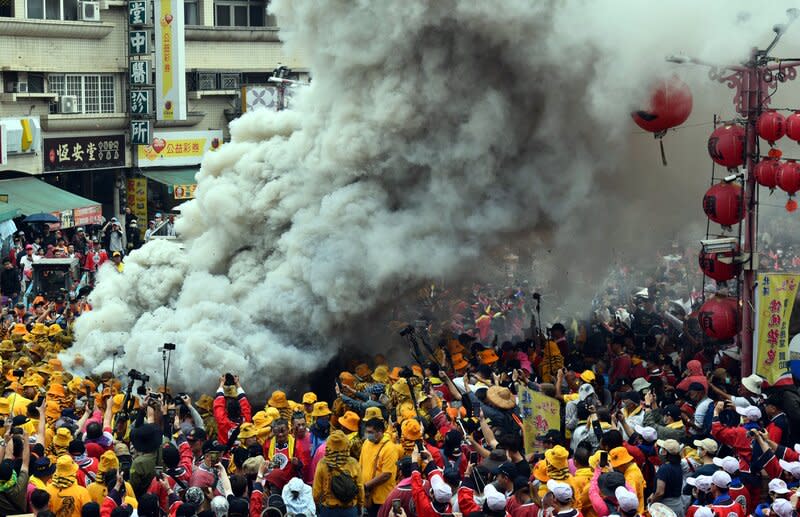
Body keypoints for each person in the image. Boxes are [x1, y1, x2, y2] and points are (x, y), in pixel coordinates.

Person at [312, 430, 364, 517]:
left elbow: (316, 492)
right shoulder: (353, 463)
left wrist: (317, 505)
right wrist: (360, 505)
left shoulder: (323, 464)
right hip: (350, 510)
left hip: (329, 510)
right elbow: (360, 487)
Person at [359, 418, 400, 517]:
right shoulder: (366, 443)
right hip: (368, 497)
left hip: (382, 498)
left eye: (370, 432)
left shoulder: (390, 448)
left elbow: (386, 475)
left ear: (380, 432)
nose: (368, 434)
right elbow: (361, 465)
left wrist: (366, 486)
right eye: (367, 431)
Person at [647, 439, 683, 515]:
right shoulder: (678, 465)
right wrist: (653, 494)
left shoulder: (664, 468)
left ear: (665, 452)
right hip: (678, 505)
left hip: (666, 508)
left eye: (662, 448)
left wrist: (652, 503)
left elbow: (660, 492)